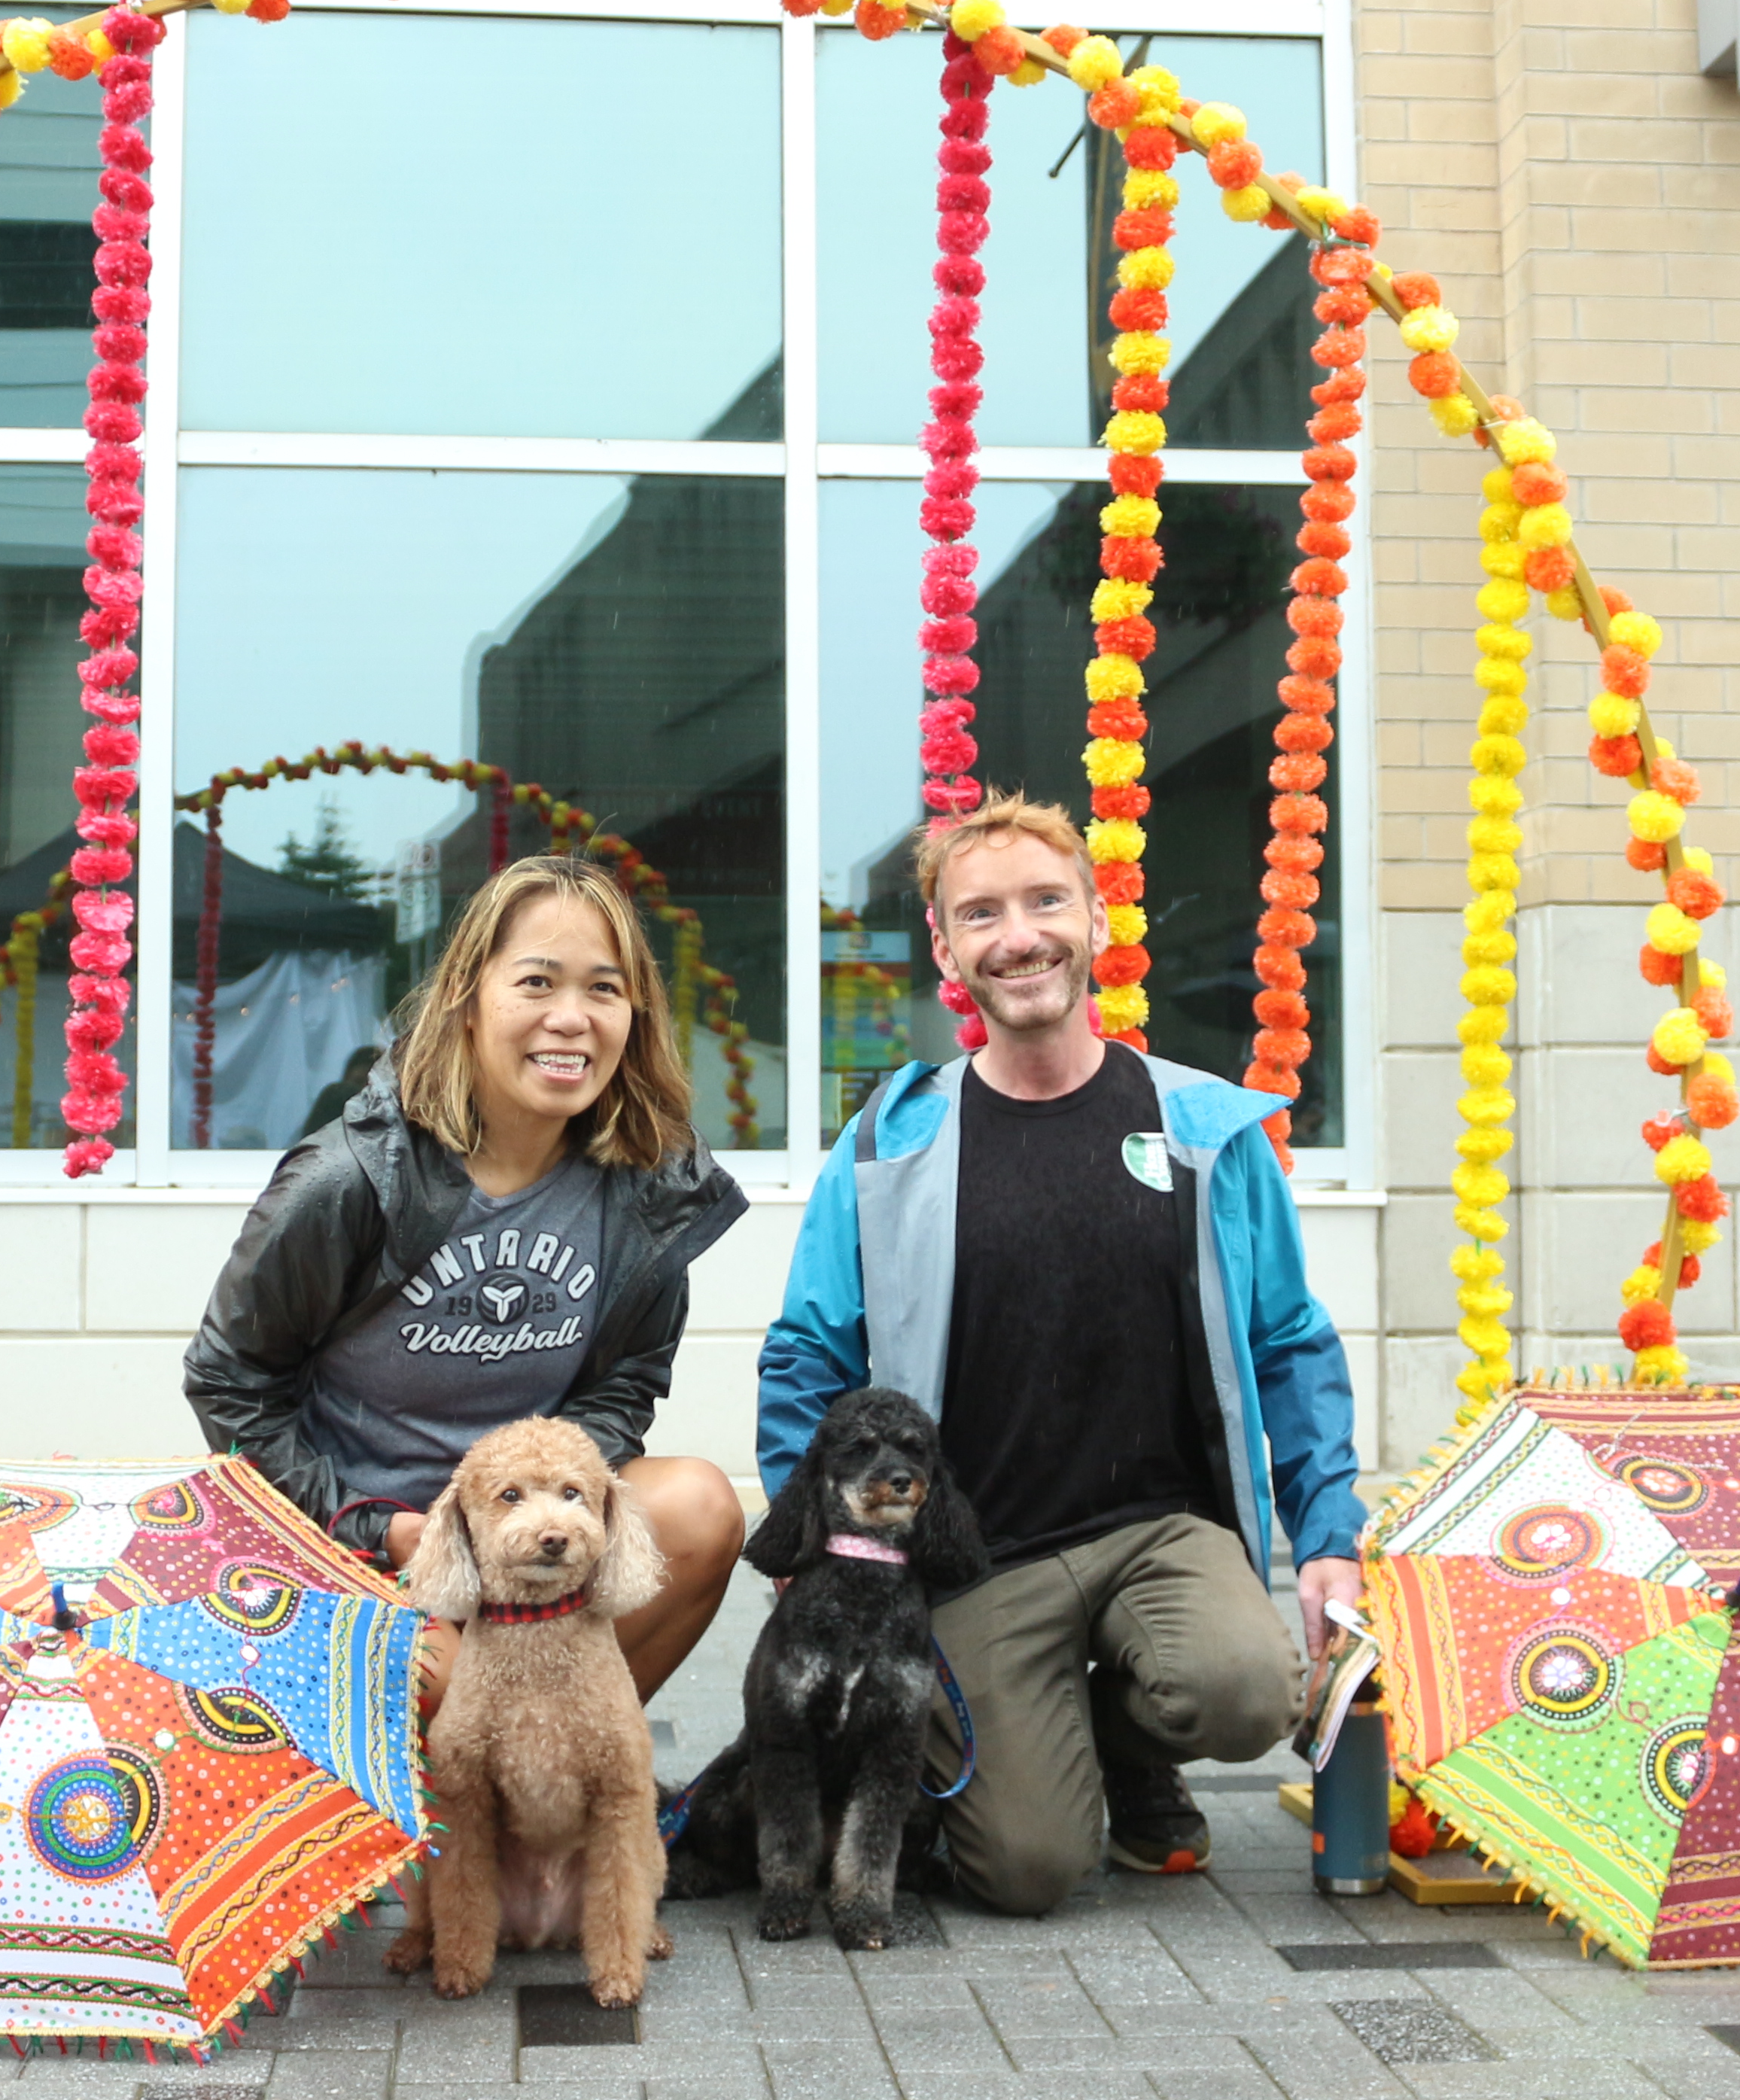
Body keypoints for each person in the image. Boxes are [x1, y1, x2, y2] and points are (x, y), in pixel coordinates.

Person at [756, 796, 1359, 1913]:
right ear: (946, 950)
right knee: (1027, 1871)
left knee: (1245, 1693)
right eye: (980, 913)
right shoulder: (893, 1143)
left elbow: (1289, 1339)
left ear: (1095, 914)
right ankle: (1048, 1733)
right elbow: (808, 1349)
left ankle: (1136, 1749)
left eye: (1044, 900)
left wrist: (1327, 1536)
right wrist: (810, 1543)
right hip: (985, 1554)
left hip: (1160, 1530)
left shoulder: (1203, 1130)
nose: (1018, 934)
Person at [184, 853, 748, 1699]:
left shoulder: (649, 1188)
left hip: (526, 1537)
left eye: (603, 989)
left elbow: (626, 1382)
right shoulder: (353, 1179)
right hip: (365, 1545)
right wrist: (389, 1531)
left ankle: (577, 1781)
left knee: (699, 1508)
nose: (572, 1018)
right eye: (536, 982)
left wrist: (533, 1511)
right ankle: (489, 1794)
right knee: (455, 1684)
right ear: (468, 1001)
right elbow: (229, 1382)